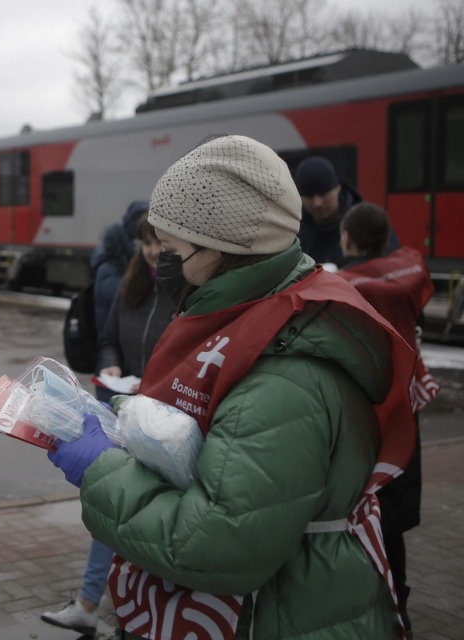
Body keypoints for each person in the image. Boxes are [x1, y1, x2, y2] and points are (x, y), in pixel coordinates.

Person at [48, 134, 420, 639]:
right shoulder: (264, 318)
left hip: (276, 616)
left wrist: (100, 468)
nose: (163, 262)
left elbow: (215, 545)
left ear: (222, 247)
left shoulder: (284, 374)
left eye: (173, 248)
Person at [41, 212, 176, 636]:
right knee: (114, 502)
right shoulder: (131, 288)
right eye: (147, 242)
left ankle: (124, 609)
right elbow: (108, 338)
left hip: (165, 423)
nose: (154, 250)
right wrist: (110, 363)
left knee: (146, 512)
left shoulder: (187, 293)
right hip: (124, 412)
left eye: (161, 242)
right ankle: (90, 601)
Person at [338, 202, 439, 636]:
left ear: (347, 238)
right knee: (392, 525)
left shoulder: (344, 284)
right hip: (402, 416)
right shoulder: (409, 272)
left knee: (358, 518)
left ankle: (368, 610)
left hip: (364, 418)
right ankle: (401, 611)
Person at [89, 199, 149, 402]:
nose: (156, 251)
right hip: (117, 374)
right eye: (148, 242)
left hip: (121, 373)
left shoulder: (123, 268)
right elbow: (110, 334)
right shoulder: (121, 276)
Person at [294, 155, 398, 265]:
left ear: (338, 188)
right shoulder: (294, 229)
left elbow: (391, 264)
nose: (317, 203)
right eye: (309, 196)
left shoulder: (368, 221)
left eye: (323, 194)